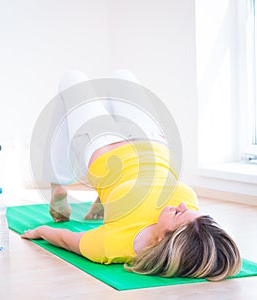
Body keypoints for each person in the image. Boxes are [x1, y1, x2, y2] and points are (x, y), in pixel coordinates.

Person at [22, 71, 241, 281]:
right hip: (151, 139)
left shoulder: (113, 244)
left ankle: (58, 182)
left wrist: (41, 231)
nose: (183, 204)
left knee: (71, 80)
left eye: (177, 214)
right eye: (193, 212)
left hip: (102, 144)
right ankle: (101, 201)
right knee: (121, 76)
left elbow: (66, 240)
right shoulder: (192, 220)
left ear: (164, 237)